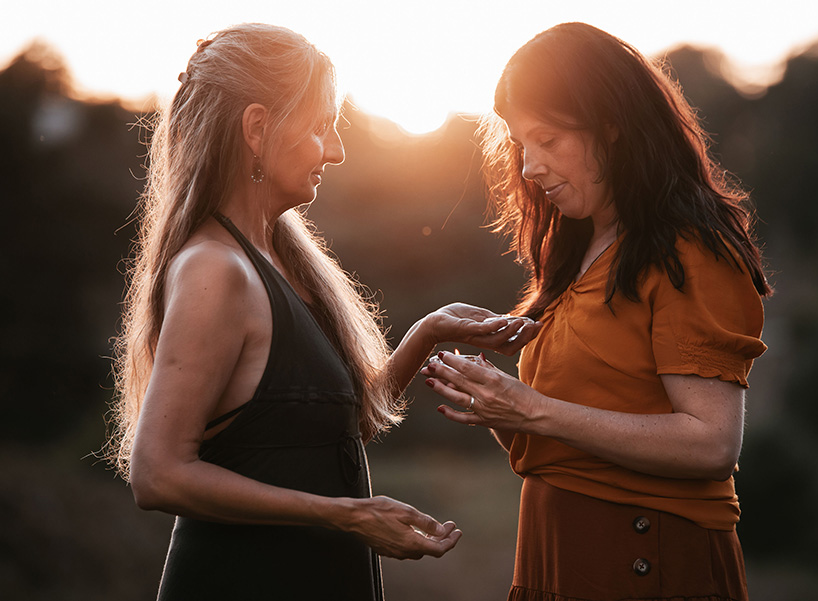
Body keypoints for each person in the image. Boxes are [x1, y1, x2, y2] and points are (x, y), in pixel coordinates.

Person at [106, 23, 538, 601]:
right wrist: (344, 514)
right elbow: (158, 474)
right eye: (320, 127)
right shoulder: (216, 270)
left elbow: (325, 428)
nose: (335, 151)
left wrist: (427, 335)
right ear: (258, 129)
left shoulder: (278, 257)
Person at [422, 22, 771, 601]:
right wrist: (497, 406)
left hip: (645, 561)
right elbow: (566, 447)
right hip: (555, 560)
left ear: (613, 128)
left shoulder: (688, 252)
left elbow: (711, 443)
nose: (530, 166)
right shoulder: (579, 252)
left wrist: (531, 409)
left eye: (549, 140)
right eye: (520, 144)